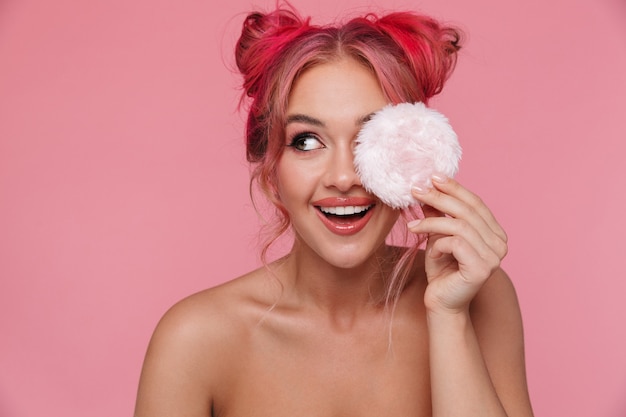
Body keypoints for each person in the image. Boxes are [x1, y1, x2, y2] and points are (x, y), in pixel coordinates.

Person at [134, 4, 534, 416]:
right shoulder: (194, 339)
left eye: (368, 140)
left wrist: (449, 317)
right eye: (306, 141)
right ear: (271, 169)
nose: (343, 177)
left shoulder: (479, 295)